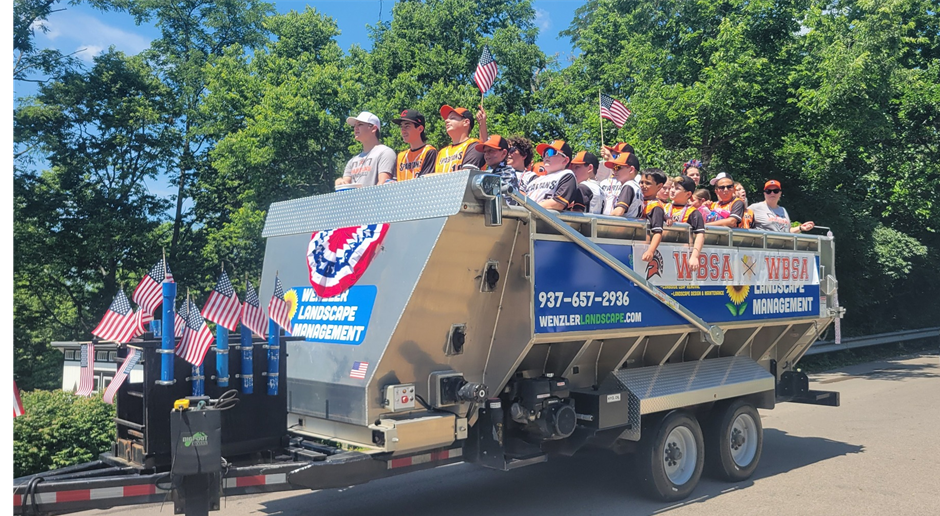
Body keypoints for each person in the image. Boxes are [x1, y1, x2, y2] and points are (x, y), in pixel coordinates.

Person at [336, 111, 396, 187]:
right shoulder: (352, 161)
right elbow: (345, 187)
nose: (355, 128)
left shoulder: (385, 152)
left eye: (360, 124)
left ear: (373, 128)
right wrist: (339, 182)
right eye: (354, 125)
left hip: (375, 198)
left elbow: (383, 184)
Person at [665, 176, 706, 273]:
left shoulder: (693, 213)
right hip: (664, 250)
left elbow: (700, 234)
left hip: (680, 256)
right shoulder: (663, 207)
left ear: (688, 194)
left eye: (677, 188)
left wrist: (695, 256)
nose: (672, 190)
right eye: (672, 187)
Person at [525, 140, 577, 210]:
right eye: (544, 153)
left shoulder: (566, 175)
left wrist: (528, 208)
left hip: (547, 219)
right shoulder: (534, 179)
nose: (546, 156)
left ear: (565, 160)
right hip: (526, 218)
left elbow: (558, 204)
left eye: (551, 152)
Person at [434, 105, 486, 173]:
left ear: (466, 122)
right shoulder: (441, 152)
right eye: (447, 119)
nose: (446, 120)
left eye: (452, 118)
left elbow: (466, 176)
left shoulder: (474, 146)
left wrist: (482, 123)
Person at [749, 180, 815, 233]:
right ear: (764, 194)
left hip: (782, 246)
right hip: (764, 247)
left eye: (776, 191)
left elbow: (788, 231)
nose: (772, 193)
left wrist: (800, 228)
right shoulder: (755, 208)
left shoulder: (783, 210)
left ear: (780, 193)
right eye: (768, 191)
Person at [392, 109, 437, 181]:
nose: (403, 131)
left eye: (407, 126)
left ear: (420, 129)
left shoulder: (429, 152)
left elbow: (425, 182)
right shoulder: (400, 156)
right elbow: (393, 182)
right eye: (401, 127)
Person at [475, 135, 520, 201]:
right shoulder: (486, 173)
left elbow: (506, 202)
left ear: (504, 153)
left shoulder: (507, 172)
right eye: (484, 152)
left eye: (491, 151)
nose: (486, 154)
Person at [638, 169, 668, 265]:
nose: (643, 185)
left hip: (641, 247)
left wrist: (650, 251)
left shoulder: (656, 207)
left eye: (648, 183)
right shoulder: (637, 199)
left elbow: (658, 232)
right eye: (641, 182)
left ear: (659, 186)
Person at [603, 151, 644, 218]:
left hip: (625, 226)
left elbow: (619, 212)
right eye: (614, 168)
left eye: (618, 167)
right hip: (633, 225)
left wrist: (602, 221)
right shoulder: (636, 186)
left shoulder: (628, 185)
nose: (615, 171)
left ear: (631, 169)